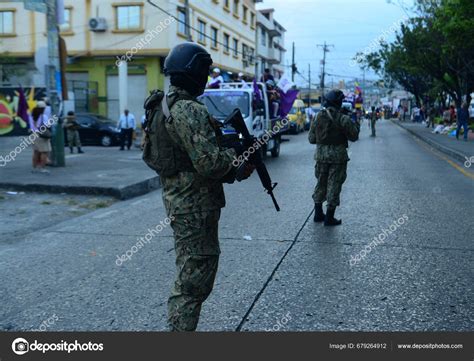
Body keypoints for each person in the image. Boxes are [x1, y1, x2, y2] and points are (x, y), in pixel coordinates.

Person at [150, 42, 254, 331]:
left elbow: (184, 157)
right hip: (194, 206)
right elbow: (209, 162)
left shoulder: (164, 105)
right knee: (193, 281)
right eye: (204, 73)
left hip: (178, 200)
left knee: (190, 270)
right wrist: (236, 159)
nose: (206, 79)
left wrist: (231, 167)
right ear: (195, 73)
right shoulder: (190, 110)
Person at [308, 89, 360, 226]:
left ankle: (318, 214)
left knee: (321, 183)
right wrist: (356, 122)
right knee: (334, 186)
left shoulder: (318, 117)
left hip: (320, 156)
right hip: (338, 158)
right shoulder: (343, 119)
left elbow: (311, 139)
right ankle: (329, 218)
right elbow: (354, 137)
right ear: (339, 103)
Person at [28, 101, 52, 174]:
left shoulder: (31, 116)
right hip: (41, 136)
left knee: (36, 152)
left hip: (33, 135)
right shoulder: (43, 116)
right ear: (43, 108)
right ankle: (42, 168)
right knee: (44, 152)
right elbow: (47, 126)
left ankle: (34, 168)